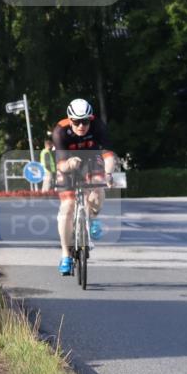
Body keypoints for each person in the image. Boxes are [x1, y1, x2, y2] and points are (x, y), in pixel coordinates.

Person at [52, 99, 115, 275]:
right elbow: (61, 166)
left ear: (91, 119)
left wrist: (109, 175)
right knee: (67, 207)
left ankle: (93, 217)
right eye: (76, 121)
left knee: (98, 188)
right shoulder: (60, 131)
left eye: (85, 121)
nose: (81, 126)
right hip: (68, 164)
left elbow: (108, 156)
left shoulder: (98, 127)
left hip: (91, 159)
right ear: (69, 119)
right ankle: (65, 254)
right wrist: (69, 165)